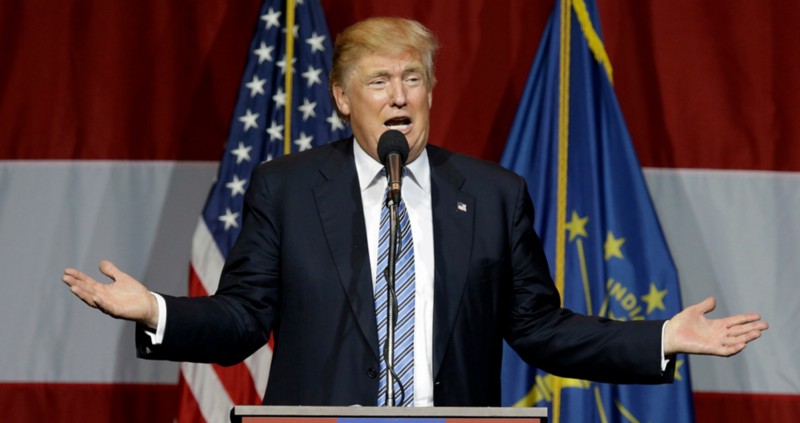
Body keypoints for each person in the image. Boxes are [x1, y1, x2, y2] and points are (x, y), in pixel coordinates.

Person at [62, 17, 767, 407]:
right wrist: (156, 308)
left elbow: (540, 329)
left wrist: (661, 340)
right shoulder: (287, 188)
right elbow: (243, 316)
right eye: (379, 80)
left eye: (412, 79)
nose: (399, 95)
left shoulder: (492, 195)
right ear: (341, 98)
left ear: (430, 90)